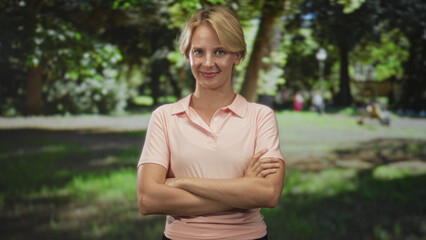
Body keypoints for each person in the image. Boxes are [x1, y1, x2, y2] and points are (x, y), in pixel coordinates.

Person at [136, 6, 285, 240]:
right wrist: (242, 190)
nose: (207, 63)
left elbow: (268, 194)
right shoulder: (164, 117)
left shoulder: (261, 116)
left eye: (219, 52)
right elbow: (148, 199)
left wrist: (181, 183)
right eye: (198, 52)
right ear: (187, 55)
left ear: (238, 56)